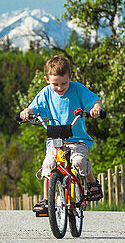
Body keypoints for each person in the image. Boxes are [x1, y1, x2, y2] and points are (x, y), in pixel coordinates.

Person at [18, 55, 104, 212]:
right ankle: (46, 199)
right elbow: (33, 107)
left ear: (70, 77)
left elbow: (95, 100)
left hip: (77, 140)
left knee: (78, 161)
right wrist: (26, 112)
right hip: (55, 139)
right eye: (55, 84)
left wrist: (96, 108)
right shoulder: (46, 93)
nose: (59, 87)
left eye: (64, 83)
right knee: (48, 164)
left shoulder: (77, 89)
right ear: (47, 80)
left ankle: (92, 183)